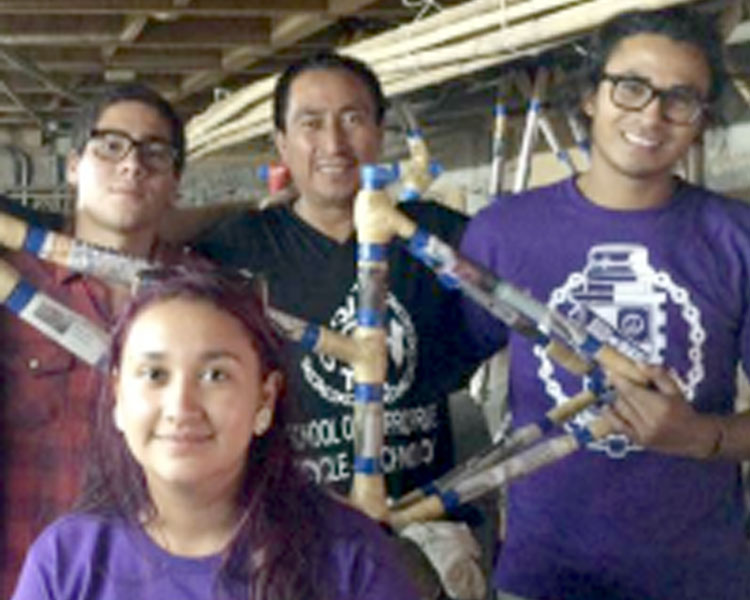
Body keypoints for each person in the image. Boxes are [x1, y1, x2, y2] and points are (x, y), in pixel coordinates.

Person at [460, 7, 750, 599]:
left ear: (701, 120)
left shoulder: (737, 239)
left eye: (681, 98)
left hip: (700, 577)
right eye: (632, 87)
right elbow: (431, 361)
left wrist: (701, 436)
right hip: (545, 575)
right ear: (592, 95)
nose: (652, 114)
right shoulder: (502, 233)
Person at [11, 268, 420, 599]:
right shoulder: (66, 561)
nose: (181, 407)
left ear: (264, 399)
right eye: (155, 374)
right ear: (118, 396)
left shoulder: (350, 557)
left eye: (215, 375)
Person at [194, 52, 482, 501]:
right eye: (310, 123)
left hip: (420, 521)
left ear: (379, 135)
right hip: (288, 525)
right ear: (282, 143)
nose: (333, 143)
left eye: (352, 119)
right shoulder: (236, 249)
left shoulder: (436, 237)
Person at [0, 83, 190, 596]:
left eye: (154, 151)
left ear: (175, 180)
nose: (132, 165)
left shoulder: (205, 298)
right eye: (110, 145)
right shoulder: (11, 285)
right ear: (72, 165)